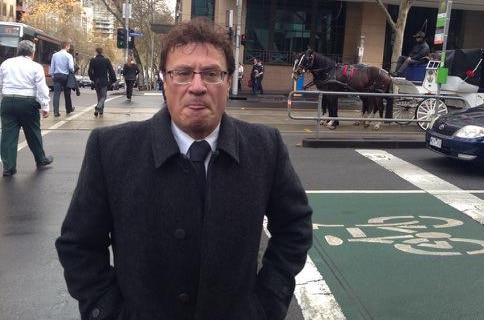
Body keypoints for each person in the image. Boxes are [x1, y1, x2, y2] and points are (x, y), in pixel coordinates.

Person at [55, 17, 313, 320]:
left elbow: (294, 226)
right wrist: (107, 312)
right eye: (182, 73)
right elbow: (79, 245)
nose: (197, 86)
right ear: (165, 80)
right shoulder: (111, 149)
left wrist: (267, 304)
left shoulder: (264, 146)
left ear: (228, 81)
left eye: (211, 73)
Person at [0, 40, 53, 176]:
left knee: (8, 135)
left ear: (18, 51)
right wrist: (45, 105)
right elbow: (41, 88)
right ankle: (41, 159)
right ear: (32, 52)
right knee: (33, 132)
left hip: (7, 100)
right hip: (27, 102)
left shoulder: (6, 63)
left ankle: (8, 166)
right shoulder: (35, 66)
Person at [88, 47, 117, 117]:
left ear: (96, 52)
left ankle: (100, 111)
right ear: (102, 52)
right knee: (103, 96)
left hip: (96, 80)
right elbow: (111, 70)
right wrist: (113, 79)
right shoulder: (106, 60)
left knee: (99, 96)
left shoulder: (93, 60)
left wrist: (92, 78)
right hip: (104, 80)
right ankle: (98, 108)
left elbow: (89, 71)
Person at [49, 40, 75, 116]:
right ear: (66, 46)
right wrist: (72, 71)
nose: (69, 48)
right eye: (69, 46)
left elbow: (52, 66)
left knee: (56, 94)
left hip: (56, 75)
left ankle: (56, 111)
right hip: (65, 76)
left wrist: (52, 75)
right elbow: (71, 67)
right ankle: (68, 109)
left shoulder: (55, 55)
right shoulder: (69, 56)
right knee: (67, 93)